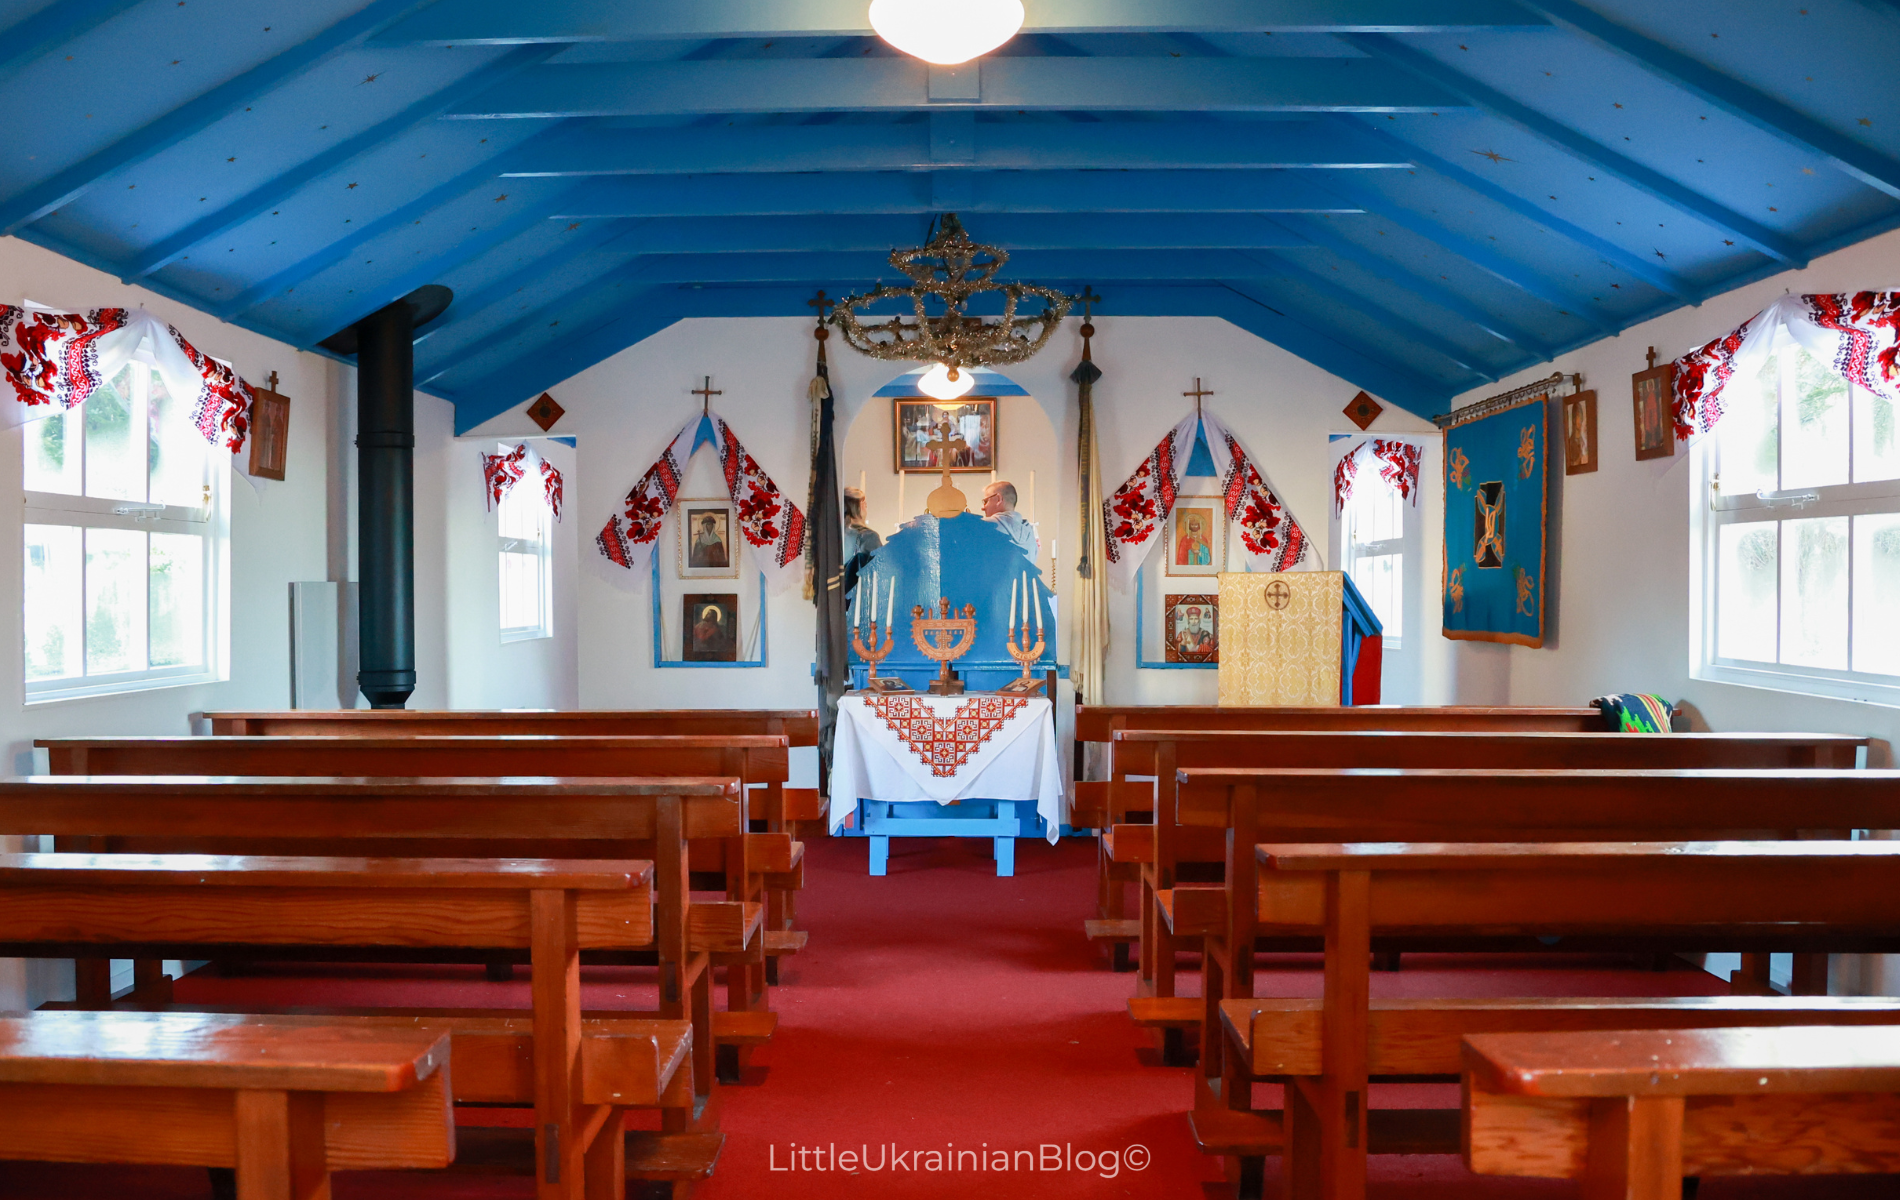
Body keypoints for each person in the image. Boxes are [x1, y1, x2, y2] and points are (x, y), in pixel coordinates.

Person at [841, 486, 883, 606]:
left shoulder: (833, 536)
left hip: (835, 599)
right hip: (860, 601)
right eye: (864, 503)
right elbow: (879, 571)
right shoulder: (869, 536)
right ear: (860, 506)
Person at [982, 480, 1038, 561]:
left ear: (998, 499)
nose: (983, 507)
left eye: (985, 501)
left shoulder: (984, 526)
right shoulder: (1030, 532)